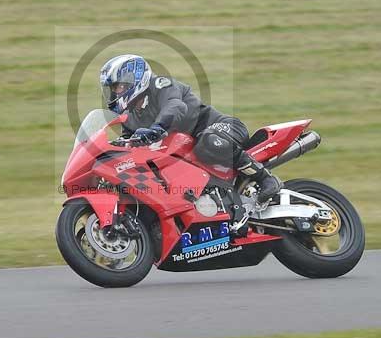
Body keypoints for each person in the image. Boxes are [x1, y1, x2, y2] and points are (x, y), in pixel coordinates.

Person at [99, 54, 282, 235]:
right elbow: (128, 146)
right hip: (187, 155)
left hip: (221, 128)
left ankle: (266, 179)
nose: (115, 93)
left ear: (135, 78)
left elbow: (175, 106)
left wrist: (158, 127)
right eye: (112, 89)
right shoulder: (129, 117)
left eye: (119, 87)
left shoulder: (161, 85)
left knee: (207, 143)